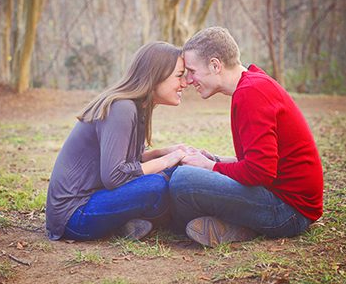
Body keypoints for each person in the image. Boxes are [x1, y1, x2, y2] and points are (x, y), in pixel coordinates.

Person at [169, 27, 324, 247]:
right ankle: (234, 228)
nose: (189, 80)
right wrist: (215, 160)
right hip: (281, 200)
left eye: (192, 71)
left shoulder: (251, 93)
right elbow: (262, 163)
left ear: (215, 65)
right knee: (183, 171)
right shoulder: (251, 84)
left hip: (289, 212)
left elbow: (261, 171)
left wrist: (209, 167)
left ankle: (174, 222)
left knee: (183, 179)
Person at [46, 42, 190, 241]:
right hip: (74, 216)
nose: (185, 83)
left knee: (178, 173)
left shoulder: (137, 106)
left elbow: (131, 159)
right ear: (156, 75)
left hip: (98, 199)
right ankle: (186, 226)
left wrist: (167, 152)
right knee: (157, 184)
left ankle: (129, 224)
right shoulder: (121, 107)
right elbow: (114, 176)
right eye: (179, 75)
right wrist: (168, 160)